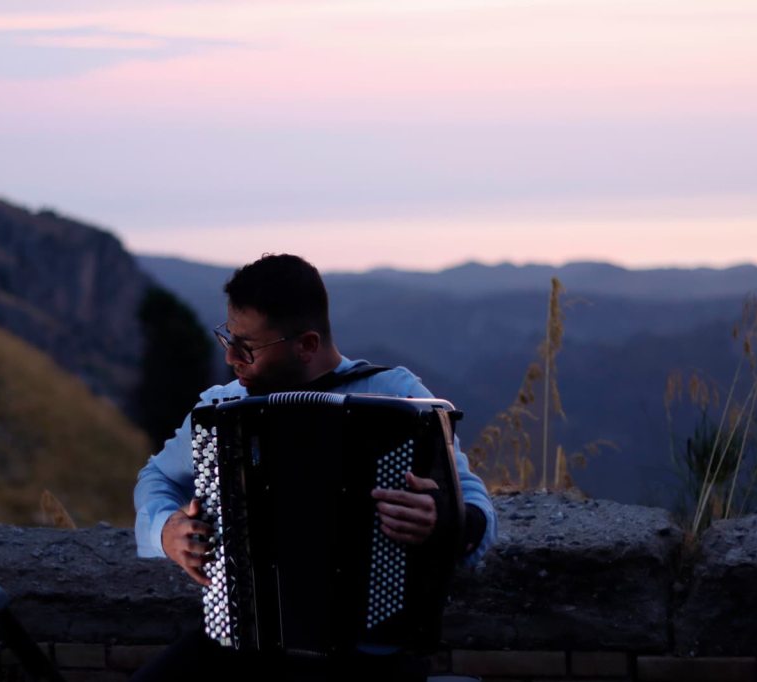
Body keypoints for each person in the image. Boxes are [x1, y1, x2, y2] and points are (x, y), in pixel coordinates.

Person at [132, 254, 497, 681]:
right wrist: (165, 530)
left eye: (247, 347)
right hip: (246, 638)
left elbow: (477, 508)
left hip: (367, 652)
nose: (231, 357)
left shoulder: (396, 397)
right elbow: (157, 477)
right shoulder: (222, 407)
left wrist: (441, 519)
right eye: (228, 337)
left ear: (306, 344)